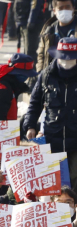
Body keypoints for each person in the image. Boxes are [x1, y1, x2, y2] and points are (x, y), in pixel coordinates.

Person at [24, 35, 77, 188]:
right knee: (54, 184)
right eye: (64, 58)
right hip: (52, 137)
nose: (67, 62)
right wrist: (30, 126)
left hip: (75, 139)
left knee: (73, 180)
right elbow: (34, 103)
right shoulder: (46, 76)